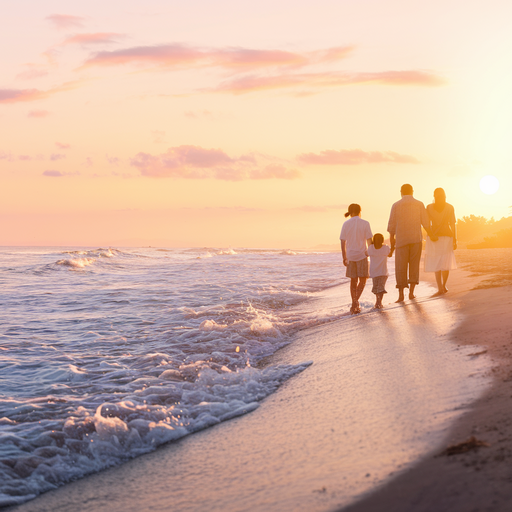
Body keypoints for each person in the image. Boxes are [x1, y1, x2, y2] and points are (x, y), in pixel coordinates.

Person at [387, 184, 437, 303]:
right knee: (414, 266)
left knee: (400, 267)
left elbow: (392, 224)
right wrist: (431, 234)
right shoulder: (419, 204)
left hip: (401, 240)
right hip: (415, 239)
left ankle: (401, 295)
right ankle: (411, 293)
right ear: (412, 191)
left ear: (401, 192)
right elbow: (425, 222)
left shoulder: (396, 205)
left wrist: (392, 239)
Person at [340, 203, 373, 314]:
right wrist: (370, 254)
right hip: (362, 255)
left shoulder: (346, 224)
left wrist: (344, 257)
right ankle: (355, 302)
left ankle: (354, 303)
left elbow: (343, 242)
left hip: (350, 256)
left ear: (350, 212)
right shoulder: (365, 223)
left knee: (353, 280)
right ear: (360, 211)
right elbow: (369, 241)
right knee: (363, 280)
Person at [424, 188, 457, 295]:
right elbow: (452, 224)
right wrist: (455, 239)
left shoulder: (429, 207)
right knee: (445, 262)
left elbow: (426, 224)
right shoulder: (450, 207)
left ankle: (440, 287)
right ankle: (443, 285)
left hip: (434, 237)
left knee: (437, 262)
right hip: (447, 236)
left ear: (434, 195)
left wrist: (430, 234)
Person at [367, 233, 391, 309]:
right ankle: (378, 302)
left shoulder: (371, 248)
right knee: (378, 288)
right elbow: (390, 254)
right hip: (380, 272)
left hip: (379, 273)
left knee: (379, 288)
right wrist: (393, 246)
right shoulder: (385, 248)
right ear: (382, 241)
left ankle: (378, 302)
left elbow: (365, 254)